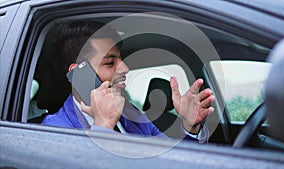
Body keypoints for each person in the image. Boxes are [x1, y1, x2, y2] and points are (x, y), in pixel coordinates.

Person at [41, 21, 215, 142]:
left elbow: (172, 161)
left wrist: (190, 127)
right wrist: (103, 126)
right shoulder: (54, 130)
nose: (125, 68)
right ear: (79, 74)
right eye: (110, 62)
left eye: (121, 59)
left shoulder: (133, 114)